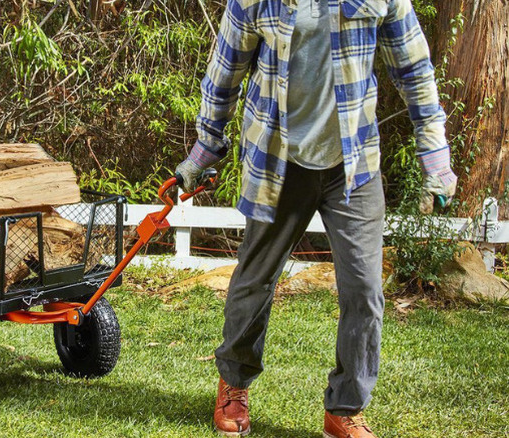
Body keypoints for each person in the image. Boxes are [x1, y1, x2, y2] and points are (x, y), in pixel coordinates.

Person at [175, 0, 457, 436]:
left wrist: (436, 158)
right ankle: (233, 383)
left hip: (354, 163)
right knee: (255, 280)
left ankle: (344, 409)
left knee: (364, 289)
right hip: (277, 160)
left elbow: (414, 68)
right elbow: (225, 71)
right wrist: (205, 147)